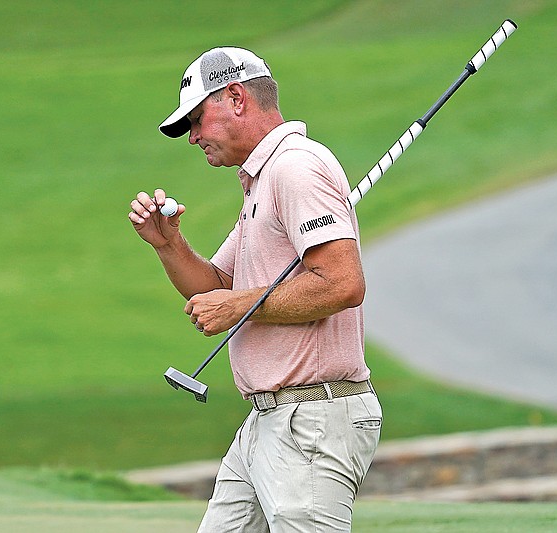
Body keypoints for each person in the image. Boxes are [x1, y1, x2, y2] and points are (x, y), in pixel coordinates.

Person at [129, 47, 382, 532]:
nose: (194, 137)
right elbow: (218, 288)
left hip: (312, 418)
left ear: (236, 97)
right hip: (269, 420)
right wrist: (169, 246)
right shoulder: (262, 180)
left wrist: (239, 305)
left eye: (198, 120)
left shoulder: (296, 168)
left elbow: (343, 283)